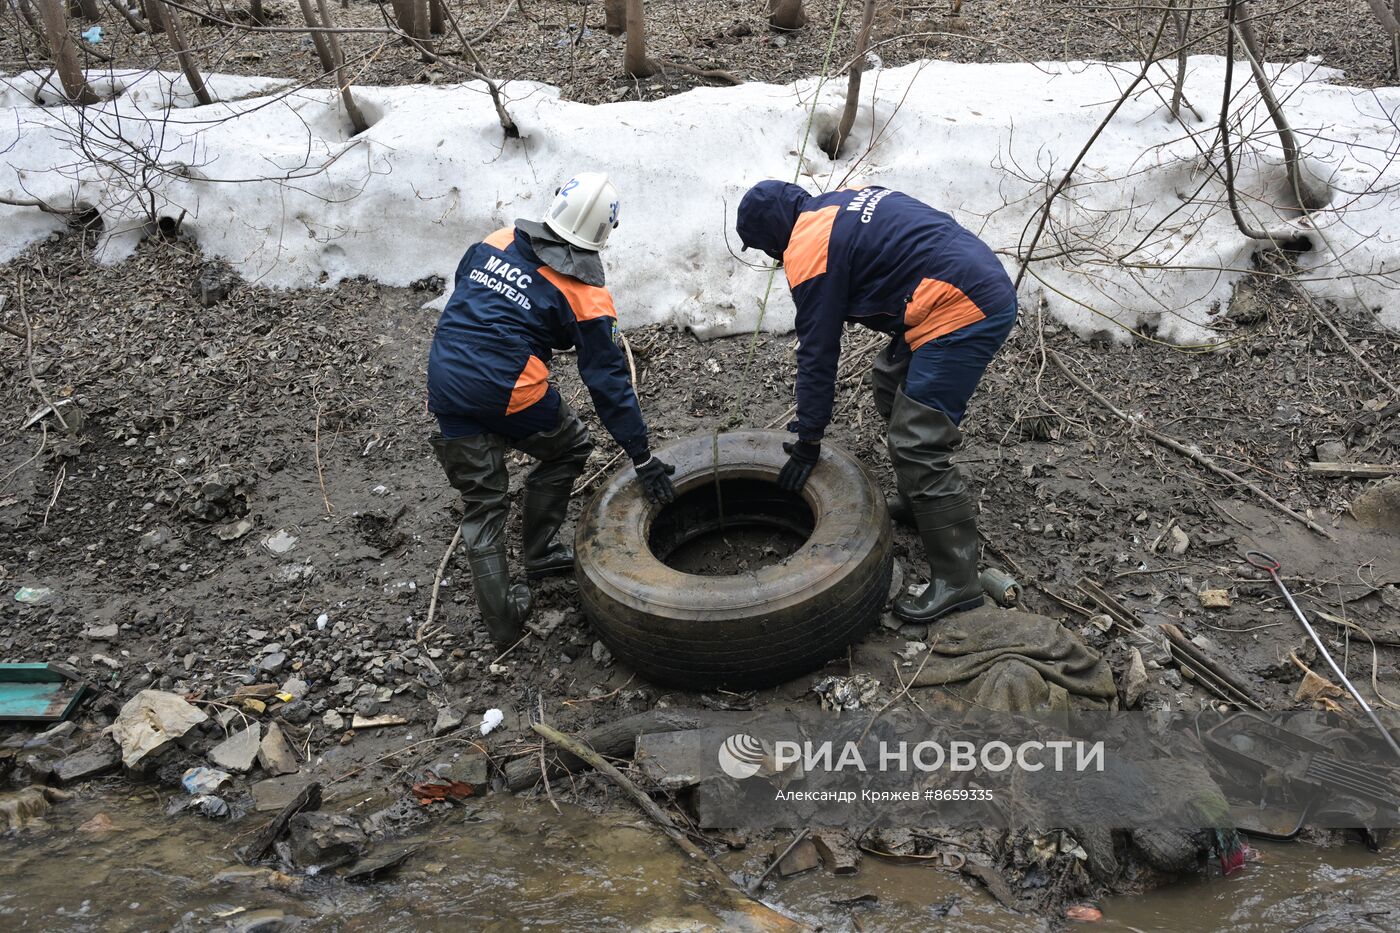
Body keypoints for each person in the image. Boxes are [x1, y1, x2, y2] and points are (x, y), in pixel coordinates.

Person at [735, 180, 1017, 624]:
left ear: (772, 233)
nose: (772, 259)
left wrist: (808, 437)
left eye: (765, 248)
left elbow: (818, 350)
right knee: (890, 381)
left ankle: (958, 579)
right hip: (960, 283)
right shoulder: (837, 201)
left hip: (961, 307)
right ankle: (916, 498)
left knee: (917, 440)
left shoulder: (809, 250)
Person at [428, 172, 675, 647]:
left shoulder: (495, 241)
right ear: (606, 232)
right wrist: (641, 456)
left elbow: (468, 291)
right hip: (511, 392)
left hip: (444, 380)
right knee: (568, 449)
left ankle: (503, 624)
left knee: (482, 502)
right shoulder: (586, 296)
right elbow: (608, 383)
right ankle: (538, 553)